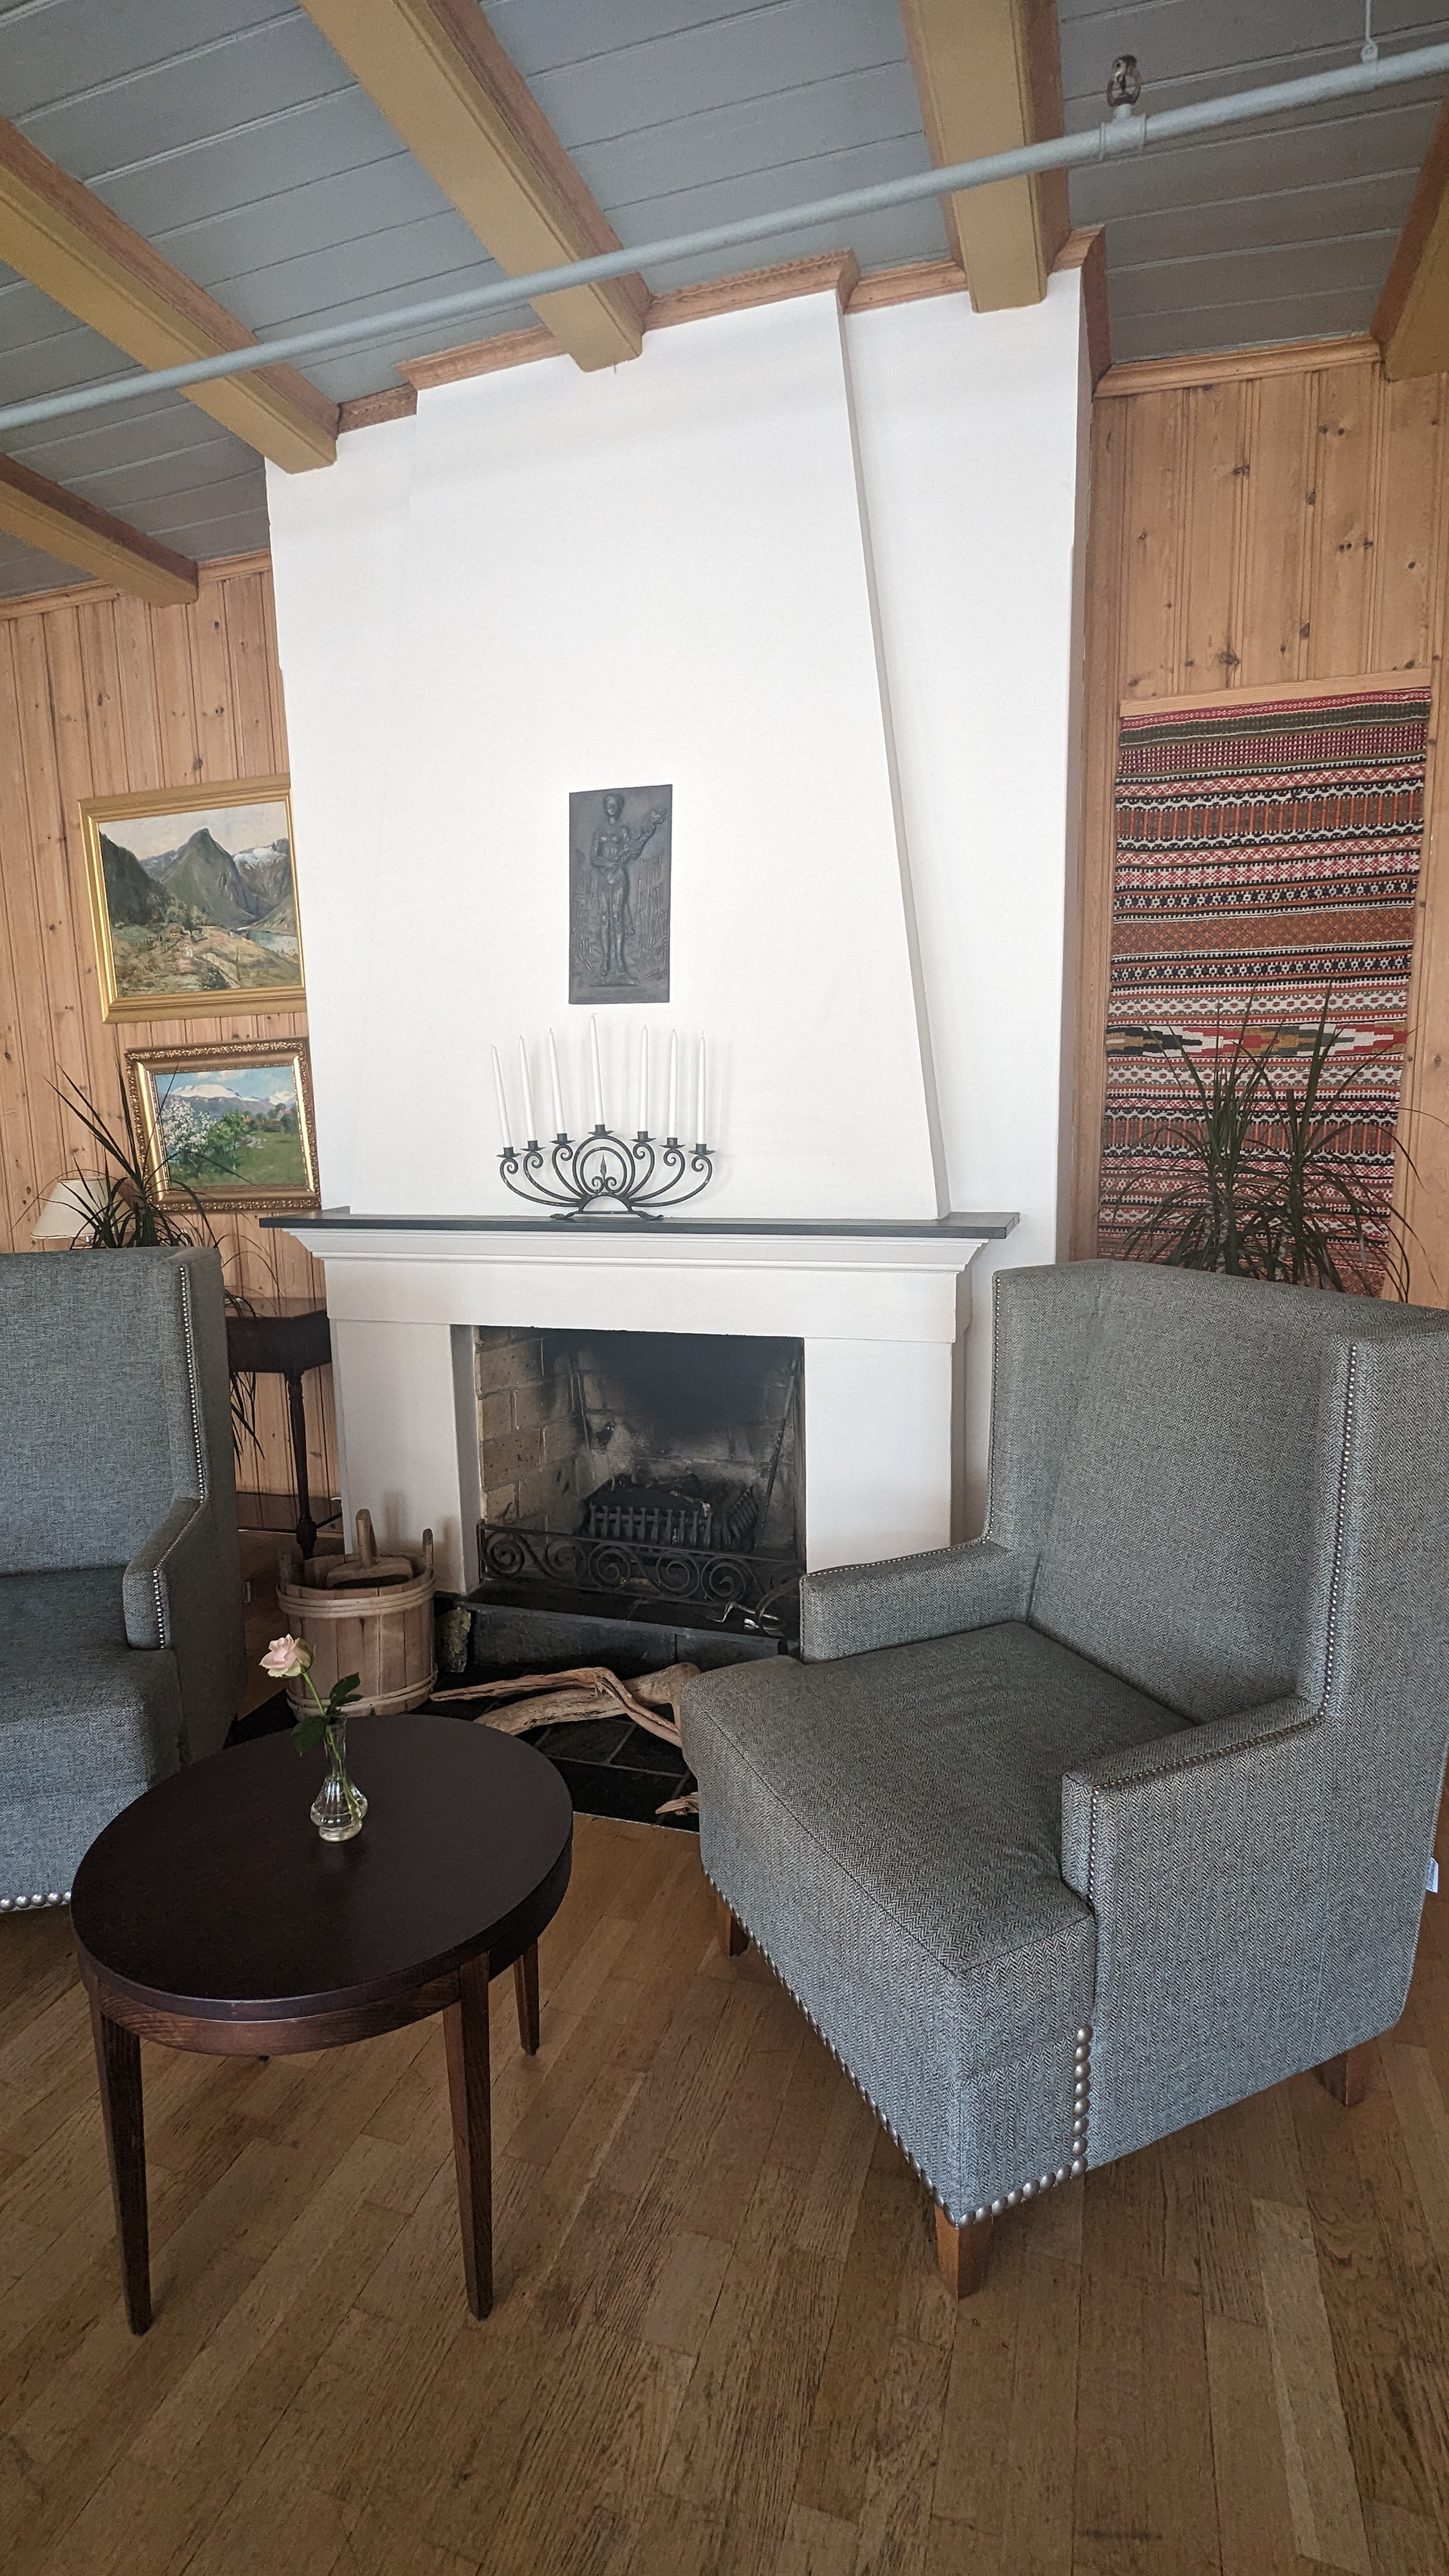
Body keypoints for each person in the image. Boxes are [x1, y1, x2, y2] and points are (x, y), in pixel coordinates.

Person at [588, 794, 666, 982]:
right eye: (608, 804)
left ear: (619, 807)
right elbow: (593, 858)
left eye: (614, 804)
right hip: (605, 878)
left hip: (619, 878)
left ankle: (620, 963)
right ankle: (605, 963)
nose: (611, 807)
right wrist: (606, 863)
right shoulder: (600, 831)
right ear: (605, 807)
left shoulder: (623, 830)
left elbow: (633, 850)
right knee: (605, 919)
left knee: (617, 918)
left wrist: (648, 830)